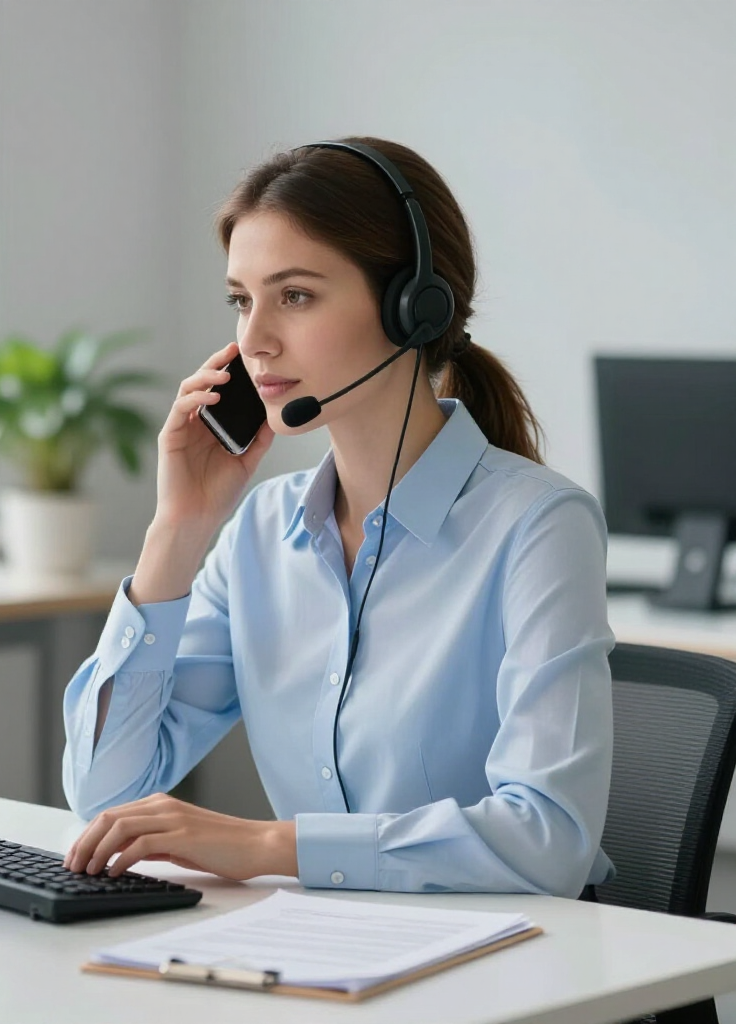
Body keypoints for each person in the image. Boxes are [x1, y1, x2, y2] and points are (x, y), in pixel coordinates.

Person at [60, 136, 615, 898]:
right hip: (328, 956)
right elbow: (104, 796)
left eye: (295, 295)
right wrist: (177, 532)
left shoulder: (538, 526)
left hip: (504, 967)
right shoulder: (261, 531)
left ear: (414, 309)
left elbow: (548, 840)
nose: (252, 341)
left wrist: (263, 844)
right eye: (241, 300)